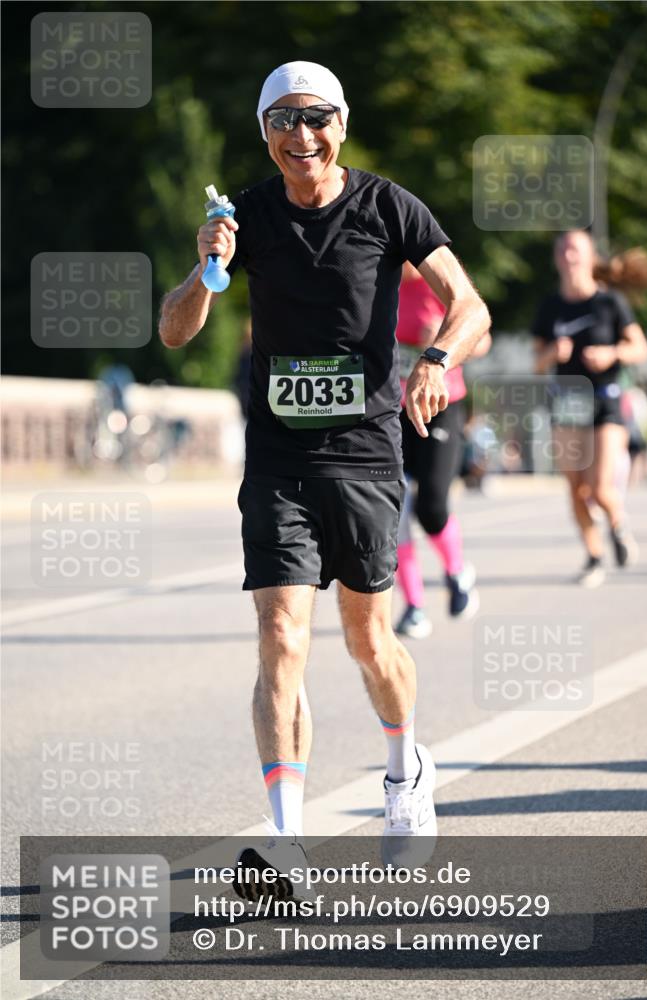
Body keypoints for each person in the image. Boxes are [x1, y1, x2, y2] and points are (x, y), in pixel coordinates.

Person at [159, 61, 490, 885]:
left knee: (369, 641)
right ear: (264, 132)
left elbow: (470, 304)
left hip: (366, 454)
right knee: (279, 639)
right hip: (279, 459)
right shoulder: (243, 215)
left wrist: (437, 360)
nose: (299, 138)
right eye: (281, 122)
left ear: (339, 123)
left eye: (315, 120)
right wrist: (206, 270)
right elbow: (172, 332)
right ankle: (285, 843)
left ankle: (405, 771)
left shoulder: (388, 206)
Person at [532, 231, 647, 588]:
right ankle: (595, 555)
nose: (569, 255)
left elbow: (639, 348)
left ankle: (618, 523)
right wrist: (553, 353)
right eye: (563, 249)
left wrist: (611, 354)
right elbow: (536, 362)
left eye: (576, 249)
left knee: (599, 488)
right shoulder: (550, 306)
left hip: (605, 395)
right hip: (567, 399)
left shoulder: (610, 303)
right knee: (575, 488)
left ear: (589, 257)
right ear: (556, 259)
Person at [394, 262, 491, 638]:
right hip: (390, 409)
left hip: (440, 406)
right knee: (395, 508)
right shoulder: (374, 276)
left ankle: (456, 572)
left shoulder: (439, 276)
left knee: (431, 508)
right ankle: (414, 605)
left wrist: (442, 342)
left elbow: (481, 337)